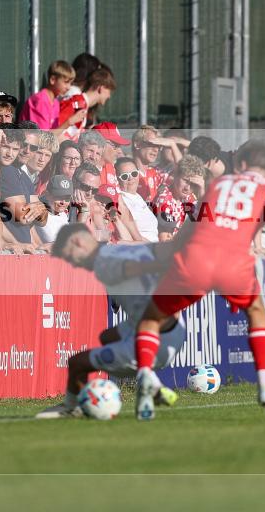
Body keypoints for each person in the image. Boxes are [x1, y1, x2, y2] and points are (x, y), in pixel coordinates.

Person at [132, 140, 265, 421]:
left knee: (151, 319)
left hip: (196, 259)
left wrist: (166, 256)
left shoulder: (217, 184)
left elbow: (190, 226)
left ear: (241, 164)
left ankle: (144, 376)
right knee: (257, 312)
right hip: (233, 264)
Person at [37, 224, 185, 419]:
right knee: (107, 337)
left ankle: (72, 407)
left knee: (77, 363)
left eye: (71, 256)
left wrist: (150, 268)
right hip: (174, 329)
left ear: (78, 242)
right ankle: (150, 382)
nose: (74, 264)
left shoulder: (105, 261)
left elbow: (132, 269)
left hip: (154, 336)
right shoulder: (120, 251)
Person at [151, 155, 205, 241]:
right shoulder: (164, 198)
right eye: (185, 181)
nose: (187, 188)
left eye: (193, 184)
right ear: (176, 175)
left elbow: (206, 224)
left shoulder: (189, 197)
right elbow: (164, 239)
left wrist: (202, 190)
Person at [19, 60, 74, 129]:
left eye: (70, 83)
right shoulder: (41, 101)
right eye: (66, 82)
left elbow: (54, 133)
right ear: (52, 80)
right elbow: (42, 135)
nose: (68, 87)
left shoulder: (55, 102)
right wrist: (68, 122)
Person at [116, 156, 158, 243]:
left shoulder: (137, 196)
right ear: (117, 179)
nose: (131, 178)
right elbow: (133, 236)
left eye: (134, 173)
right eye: (124, 176)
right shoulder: (122, 200)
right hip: (144, 247)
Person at [36, 175, 73, 247]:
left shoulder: (63, 215)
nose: (63, 202)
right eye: (59, 197)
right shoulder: (37, 212)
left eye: (67, 198)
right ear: (47, 194)